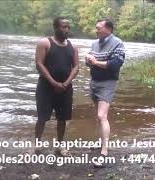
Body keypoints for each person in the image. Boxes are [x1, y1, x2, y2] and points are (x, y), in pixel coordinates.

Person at [34, 17, 79, 156]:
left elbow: (76, 66)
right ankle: (36, 145)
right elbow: (39, 64)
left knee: (62, 119)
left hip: (65, 89)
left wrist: (65, 84)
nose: (66, 30)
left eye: (68, 27)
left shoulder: (73, 46)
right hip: (46, 88)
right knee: (42, 118)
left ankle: (59, 146)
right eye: (63, 27)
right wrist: (53, 83)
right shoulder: (44, 43)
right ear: (55, 27)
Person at [85, 18, 125, 167]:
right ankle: (99, 142)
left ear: (108, 29)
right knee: (97, 116)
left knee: (102, 116)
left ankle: (104, 150)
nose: (96, 30)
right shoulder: (95, 43)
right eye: (96, 28)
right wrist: (88, 60)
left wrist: (95, 62)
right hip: (94, 82)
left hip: (108, 83)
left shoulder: (117, 43)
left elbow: (116, 64)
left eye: (99, 28)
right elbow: (89, 59)